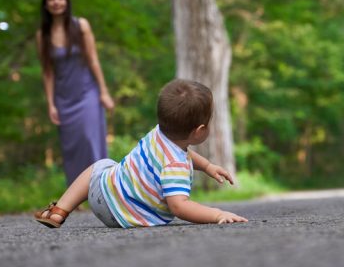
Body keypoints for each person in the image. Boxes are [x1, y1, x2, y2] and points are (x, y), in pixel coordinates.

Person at [33, 79, 248, 228]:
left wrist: (207, 166)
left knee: (101, 166)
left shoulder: (159, 133)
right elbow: (179, 206)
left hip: (102, 196)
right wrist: (217, 214)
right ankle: (61, 209)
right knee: (105, 165)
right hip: (125, 218)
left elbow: (186, 154)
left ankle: (60, 210)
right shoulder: (175, 165)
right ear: (199, 131)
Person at [36, 0, 115, 185]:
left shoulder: (81, 26)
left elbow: (93, 59)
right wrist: (51, 104)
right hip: (63, 98)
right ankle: (76, 192)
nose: (56, 2)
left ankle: (101, 187)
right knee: (71, 147)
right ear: (46, 4)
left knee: (90, 139)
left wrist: (103, 92)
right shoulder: (42, 35)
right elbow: (47, 72)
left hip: (87, 92)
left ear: (66, 1)